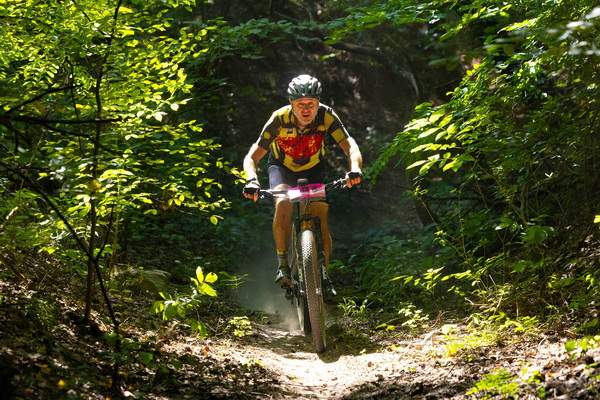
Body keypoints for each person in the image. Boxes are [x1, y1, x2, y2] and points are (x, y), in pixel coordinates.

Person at [242, 74, 363, 291]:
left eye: (310, 104)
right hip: (282, 167)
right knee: (283, 203)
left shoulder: (326, 116)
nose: (305, 109)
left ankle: (324, 275)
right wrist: (252, 181)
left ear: (318, 103)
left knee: (320, 215)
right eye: (300, 104)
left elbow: (350, 146)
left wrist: (355, 169)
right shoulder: (279, 119)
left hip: (314, 168)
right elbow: (252, 157)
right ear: (291, 103)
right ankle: (283, 266)